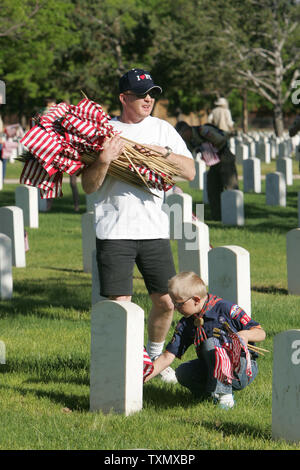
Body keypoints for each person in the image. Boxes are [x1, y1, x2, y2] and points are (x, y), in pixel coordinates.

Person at [81, 68, 195, 382]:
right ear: (123, 97)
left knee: (167, 303)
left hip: (154, 231)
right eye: (141, 94)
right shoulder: (103, 131)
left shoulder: (162, 129)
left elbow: (190, 172)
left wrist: (165, 153)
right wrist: (105, 158)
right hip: (114, 231)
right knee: (122, 309)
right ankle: (123, 365)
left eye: (152, 94)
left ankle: (155, 360)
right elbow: (89, 187)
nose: (148, 99)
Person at [145, 271, 266, 409]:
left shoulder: (226, 309)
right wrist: (142, 379)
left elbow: (260, 332)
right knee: (182, 372)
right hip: (211, 368)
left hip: (240, 369)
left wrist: (244, 335)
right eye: (173, 302)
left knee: (211, 343)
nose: (175, 308)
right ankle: (210, 395)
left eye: (178, 304)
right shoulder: (187, 322)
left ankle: (225, 397)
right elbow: (167, 356)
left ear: (196, 300)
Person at [175, 120, 239, 220]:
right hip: (213, 163)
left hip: (224, 157)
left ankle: (234, 215)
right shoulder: (189, 141)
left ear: (186, 130)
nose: (182, 137)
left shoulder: (202, 130)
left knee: (230, 186)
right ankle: (217, 216)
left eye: (181, 134)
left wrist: (208, 145)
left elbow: (221, 139)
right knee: (212, 187)